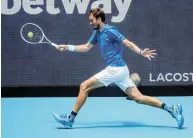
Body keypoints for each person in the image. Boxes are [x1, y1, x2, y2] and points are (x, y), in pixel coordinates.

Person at [53, 8, 184, 129]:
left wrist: (140, 52)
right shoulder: (97, 33)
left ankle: (69, 119)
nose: (91, 23)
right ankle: (172, 109)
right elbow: (86, 47)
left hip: (115, 70)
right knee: (138, 98)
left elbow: (127, 42)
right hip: (121, 71)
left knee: (84, 86)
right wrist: (67, 46)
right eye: (90, 21)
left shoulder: (110, 30)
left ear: (99, 19)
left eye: (92, 20)